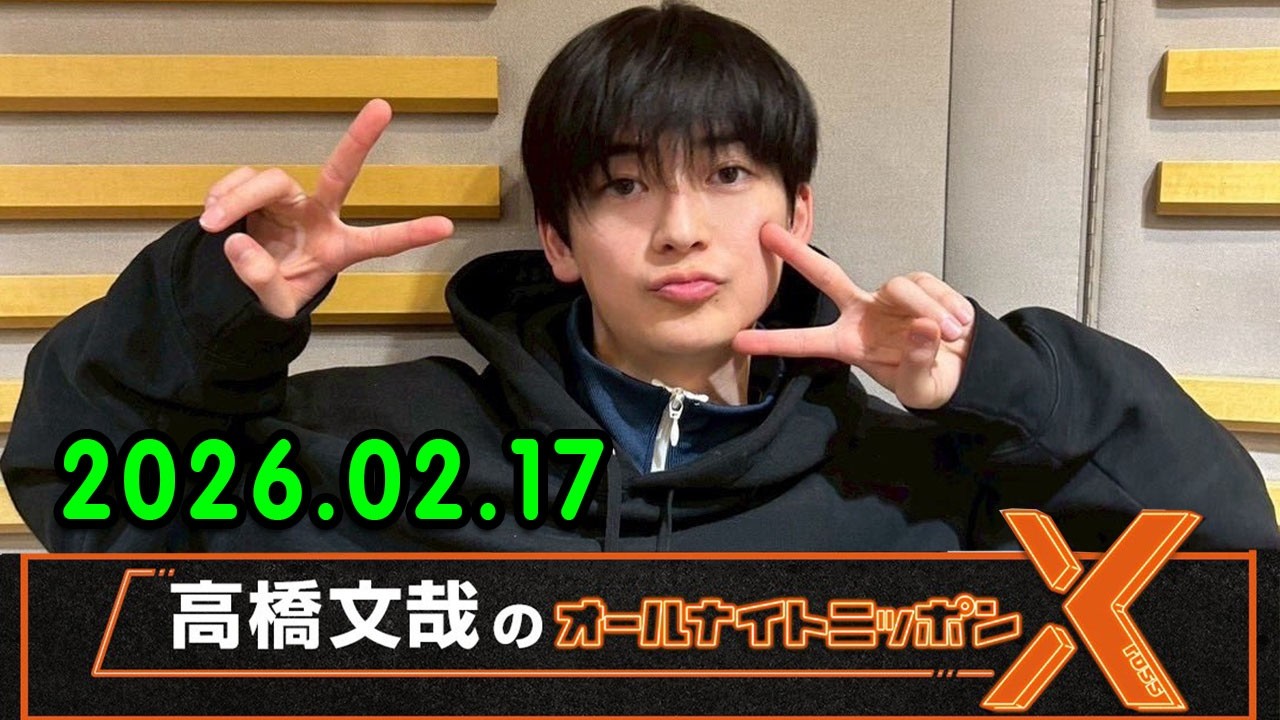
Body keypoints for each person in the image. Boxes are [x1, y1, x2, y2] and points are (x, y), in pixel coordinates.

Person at [2, 2, 1277, 552]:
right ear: (558, 240)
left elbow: (1223, 581)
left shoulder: (917, 484)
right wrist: (217, 306)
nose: (679, 230)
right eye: (622, 186)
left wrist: (995, 379)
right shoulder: (404, 455)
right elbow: (85, 488)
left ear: (797, 213)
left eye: (726, 176)